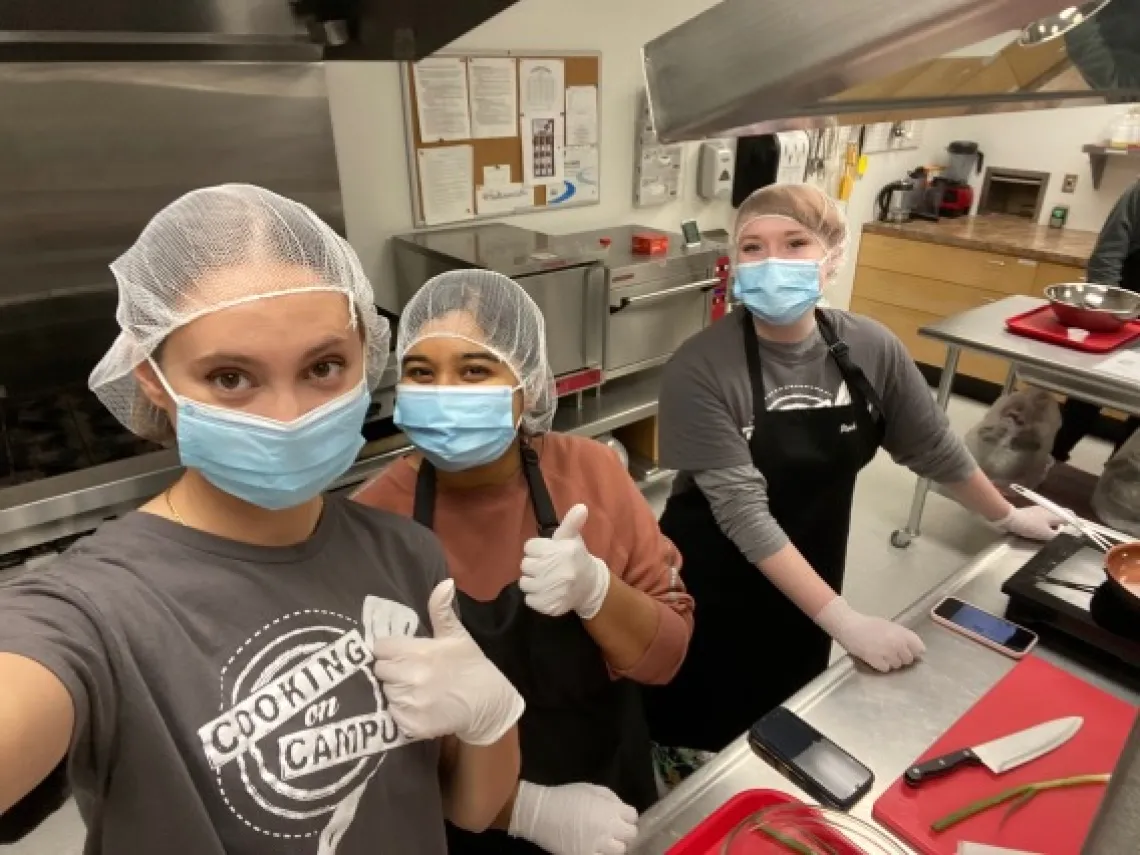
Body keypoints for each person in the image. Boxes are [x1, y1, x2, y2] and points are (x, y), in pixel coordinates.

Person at [0, 185, 524, 854]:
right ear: (153, 376)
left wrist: (492, 714)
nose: (287, 416)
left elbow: (473, 808)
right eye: (229, 377)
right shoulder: (95, 610)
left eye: (324, 366)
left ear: (370, 352)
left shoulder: (408, 554)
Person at [642, 183, 1065, 759]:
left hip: (811, 564)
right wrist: (844, 620)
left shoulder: (870, 348)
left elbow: (934, 448)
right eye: (754, 247)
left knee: (784, 705)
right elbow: (743, 514)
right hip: (709, 575)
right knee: (696, 721)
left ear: (832, 254)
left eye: (795, 243)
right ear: (735, 262)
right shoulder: (699, 366)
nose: (774, 263)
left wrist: (1007, 515)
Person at [353, 270, 694, 855]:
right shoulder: (372, 523)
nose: (445, 392)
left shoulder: (592, 474)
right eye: (421, 373)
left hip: (611, 799)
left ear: (528, 385)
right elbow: (374, 745)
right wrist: (526, 809)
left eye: (474, 370)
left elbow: (666, 659)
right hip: (470, 822)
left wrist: (598, 592)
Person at [1051, 178, 1140, 465]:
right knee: (1087, 393)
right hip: (1126, 307)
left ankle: (1116, 484)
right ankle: (1044, 464)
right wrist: (1108, 308)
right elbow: (1110, 249)